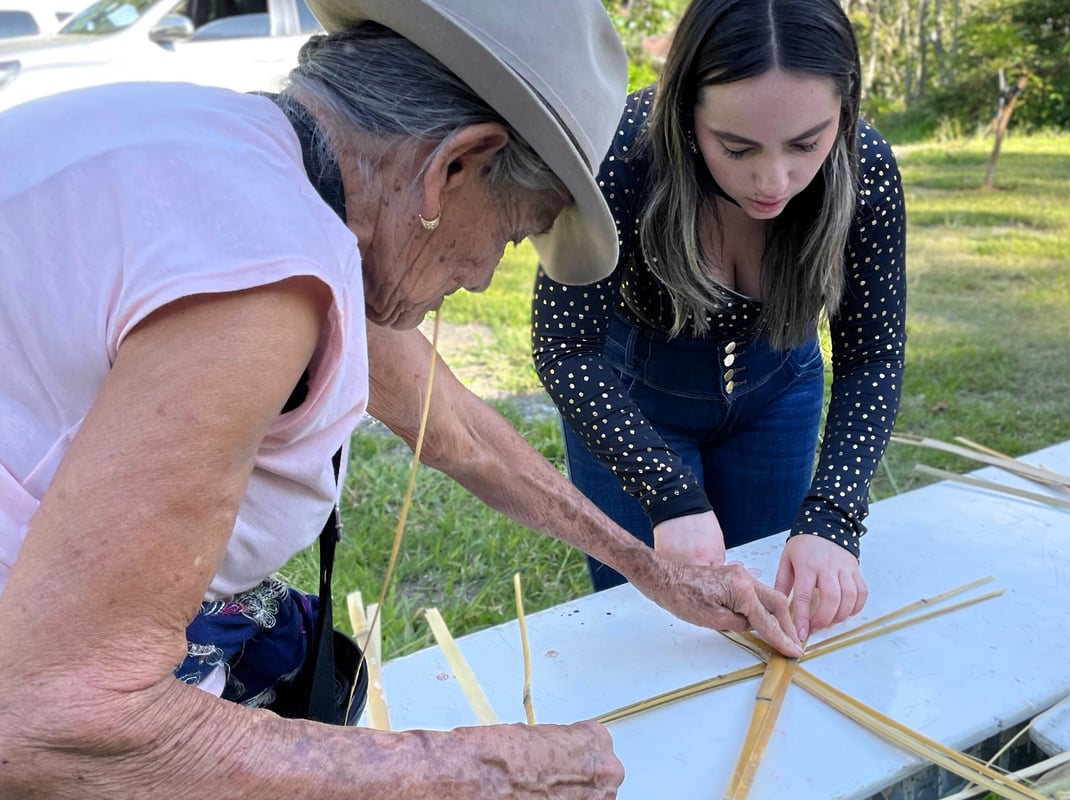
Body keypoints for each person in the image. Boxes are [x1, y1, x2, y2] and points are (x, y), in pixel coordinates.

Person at [0, 0, 806, 797]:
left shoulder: (237, 158)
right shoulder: (259, 269)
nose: (486, 273)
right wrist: (466, 770)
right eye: (515, 229)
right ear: (455, 167)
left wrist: (645, 566)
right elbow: (69, 719)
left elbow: (451, 425)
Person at [532, 0, 907, 645]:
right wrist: (666, 491)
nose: (774, 178)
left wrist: (833, 518)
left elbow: (872, 354)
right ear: (685, 112)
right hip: (630, 406)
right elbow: (565, 344)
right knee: (652, 635)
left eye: (806, 143)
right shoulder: (625, 151)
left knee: (771, 610)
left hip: (777, 398)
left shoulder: (865, 168)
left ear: (844, 109)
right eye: (736, 147)